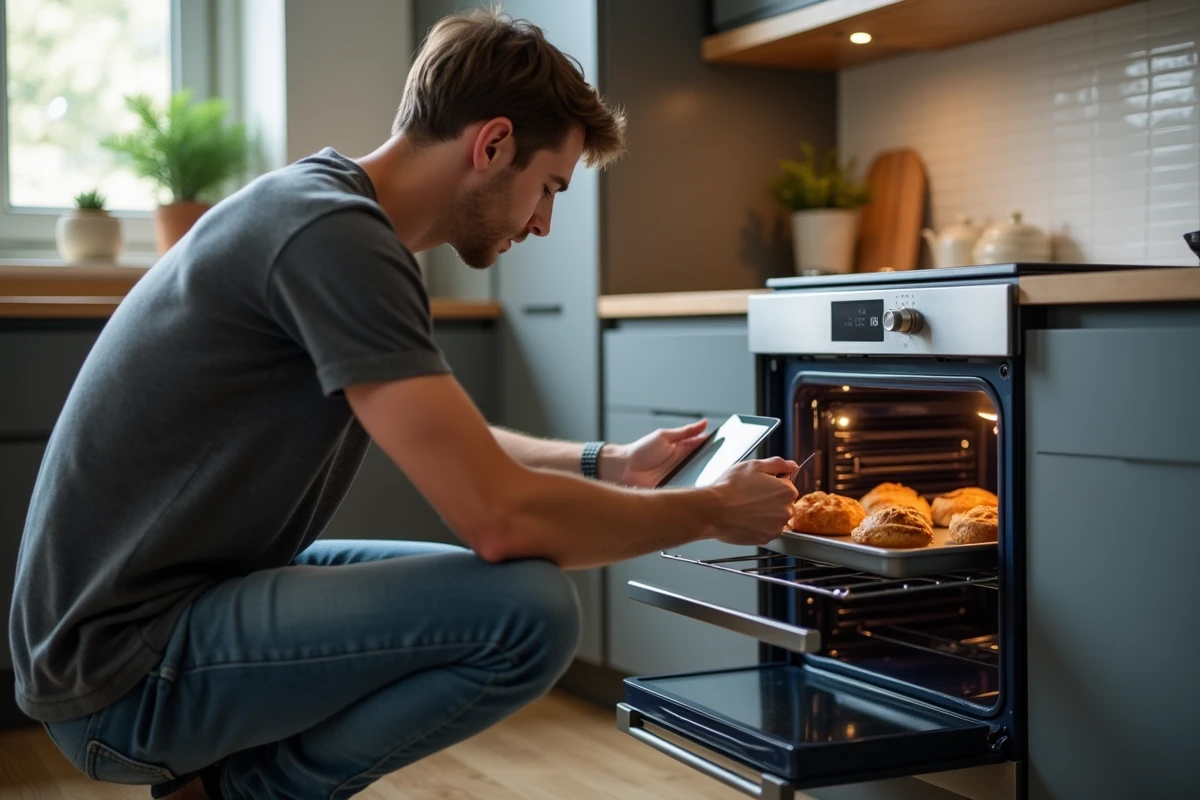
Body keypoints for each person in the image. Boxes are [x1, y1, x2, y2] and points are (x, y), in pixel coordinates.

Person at [8, 9, 798, 800]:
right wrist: (711, 514)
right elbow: (500, 517)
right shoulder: (332, 235)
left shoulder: (325, 210)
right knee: (528, 613)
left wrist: (609, 464)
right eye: (548, 188)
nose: (544, 222)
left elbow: (450, 440)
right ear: (490, 145)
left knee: (515, 594)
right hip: (123, 674)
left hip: (156, 615)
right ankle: (239, 794)